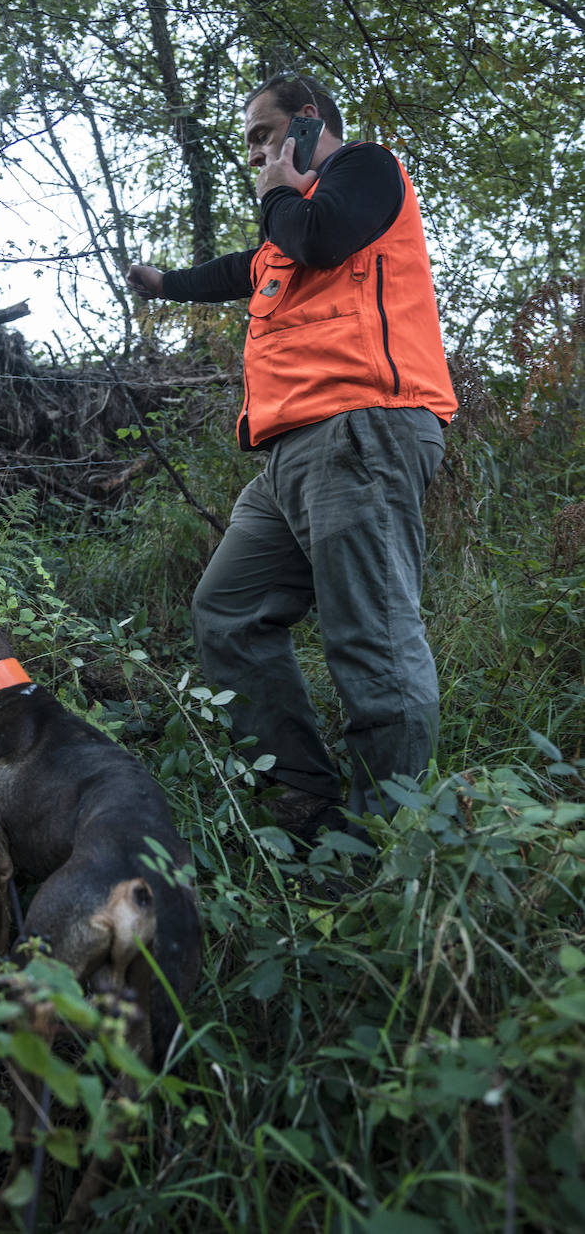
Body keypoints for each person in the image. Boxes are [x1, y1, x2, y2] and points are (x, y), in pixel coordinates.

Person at [126, 74, 457, 845]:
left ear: (305, 125)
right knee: (228, 612)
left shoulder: (365, 172)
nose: (253, 156)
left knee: (368, 638)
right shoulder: (284, 235)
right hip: (287, 454)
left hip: (361, 430)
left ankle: (382, 848)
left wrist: (281, 184)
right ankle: (305, 801)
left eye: (260, 136)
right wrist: (164, 282)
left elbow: (317, 234)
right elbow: (240, 269)